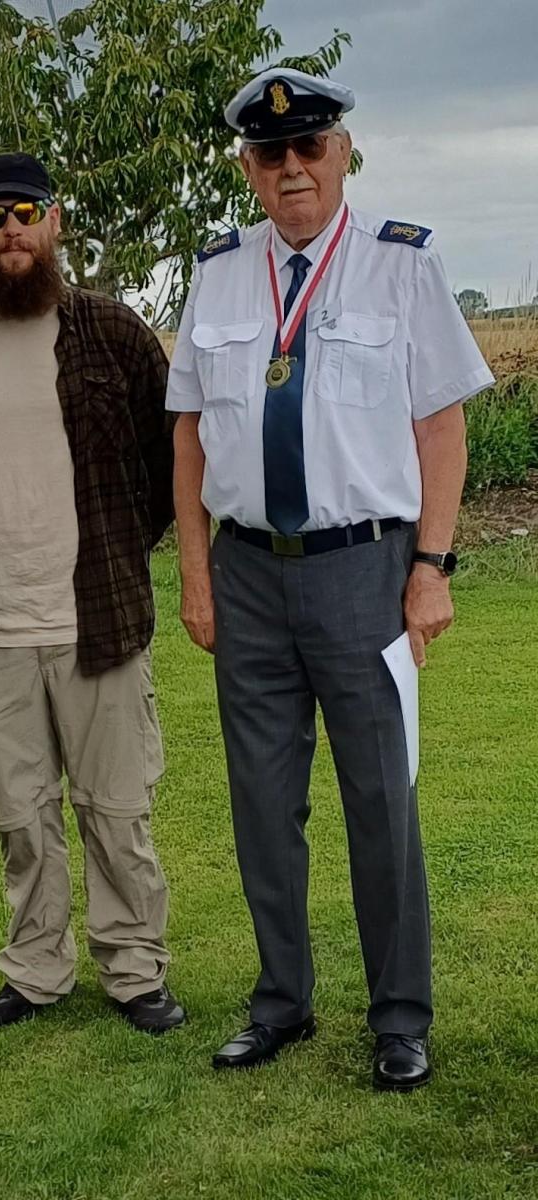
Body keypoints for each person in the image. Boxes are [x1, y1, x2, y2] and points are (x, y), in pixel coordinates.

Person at [166, 69, 494, 1088]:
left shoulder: (402, 265)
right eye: (272, 154)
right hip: (248, 573)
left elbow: (442, 428)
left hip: (364, 569)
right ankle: (281, 1002)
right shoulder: (219, 273)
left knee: (379, 800)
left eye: (310, 146)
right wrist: (195, 575)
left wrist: (431, 567)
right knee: (263, 803)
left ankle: (399, 1017)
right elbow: (188, 435)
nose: (292, 167)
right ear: (248, 169)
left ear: (343, 153)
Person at [0, 151, 185, 1035]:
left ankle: (134, 971)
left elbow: (171, 458)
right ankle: (37, 970)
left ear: (54, 221)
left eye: (26, 212)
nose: (11, 230)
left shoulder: (113, 332)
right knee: (19, 815)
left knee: (116, 811)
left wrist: (122, 547)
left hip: (99, 620)